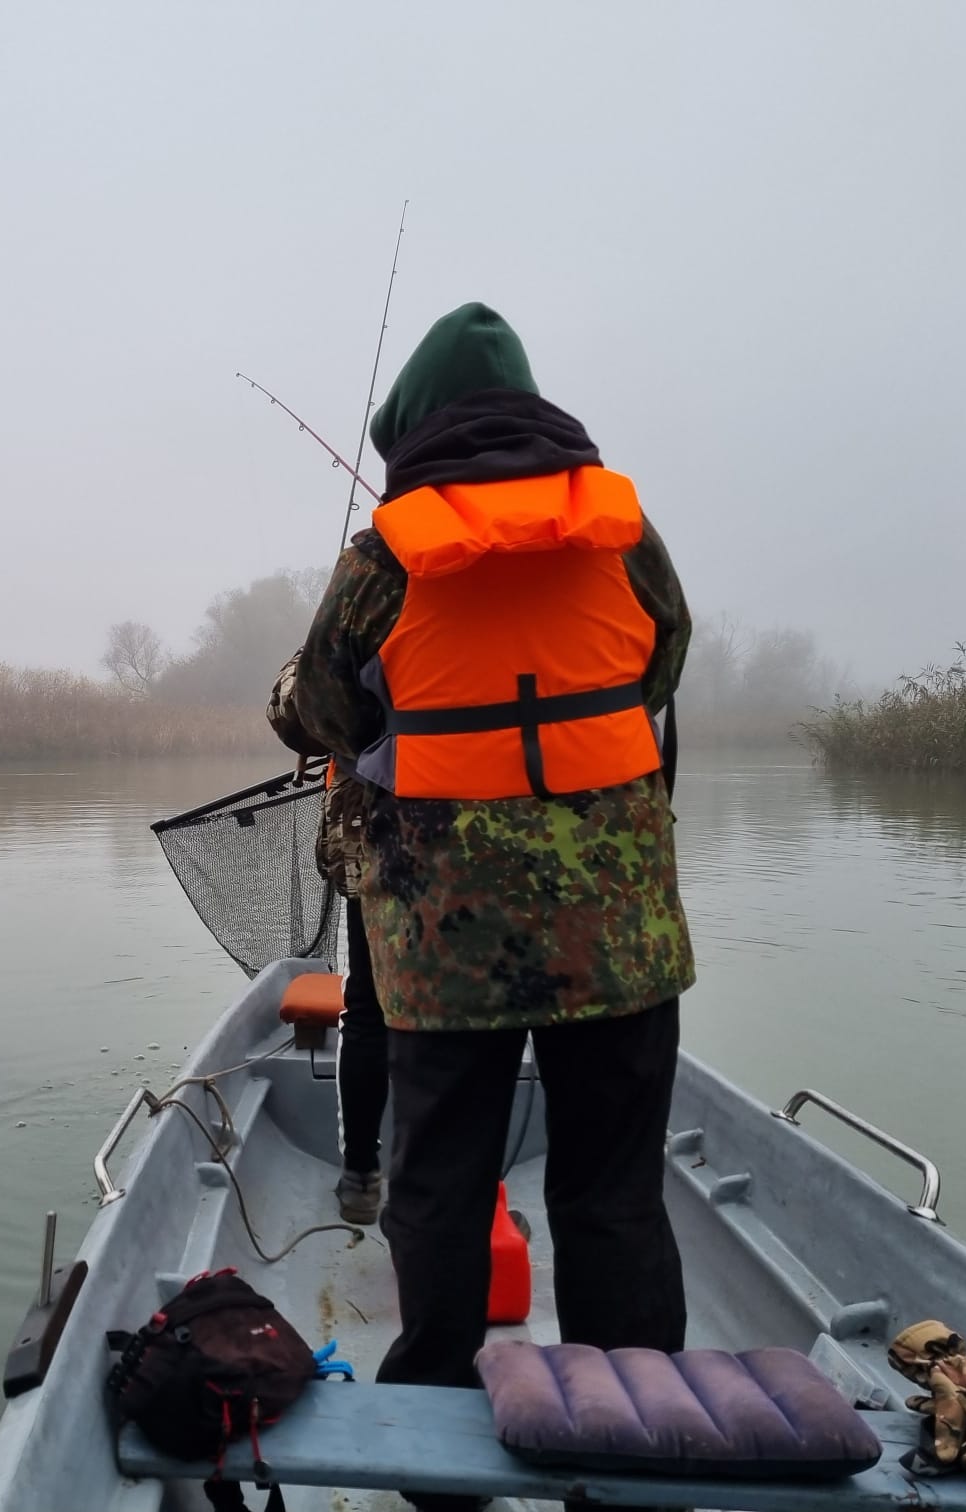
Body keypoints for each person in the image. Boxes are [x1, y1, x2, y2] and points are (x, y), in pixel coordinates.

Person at [288, 303, 694, 1509]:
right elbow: (659, 663)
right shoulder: (626, 533)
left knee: (442, 1190)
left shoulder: (385, 554)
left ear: (413, 430)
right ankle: (632, 1453)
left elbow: (323, 710)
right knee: (612, 1192)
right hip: (619, 944)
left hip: (443, 951)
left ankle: (436, 1456)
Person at [266, 653, 385, 1224]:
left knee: (367, 1005)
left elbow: (293, 710)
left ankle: (362, 1177)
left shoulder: (372, 584)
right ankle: (464, 1184)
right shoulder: (518, 594)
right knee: (471, 1012)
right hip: (500, 843)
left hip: (379, 834)